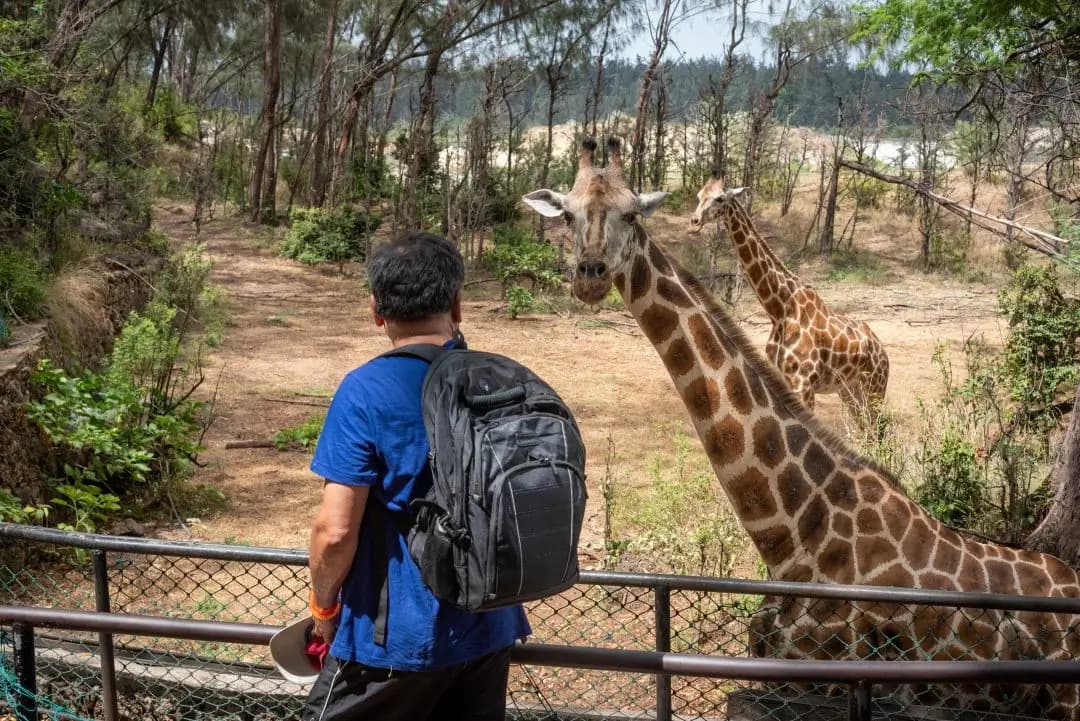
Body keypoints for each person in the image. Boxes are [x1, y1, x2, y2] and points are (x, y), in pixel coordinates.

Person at [303, 232, 531, 721]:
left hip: (392, 642)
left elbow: (336, 531)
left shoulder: (365, 390)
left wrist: (323, 609)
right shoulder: (500, 380)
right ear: (456, 303)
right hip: (490, 627)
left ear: (376, 309)